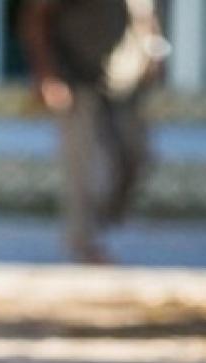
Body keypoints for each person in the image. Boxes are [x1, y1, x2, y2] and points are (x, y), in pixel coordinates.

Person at [20, 0, 168, 264]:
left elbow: (145, 19)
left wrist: (154, 55)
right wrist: (46, 75)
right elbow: (35, 17)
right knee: (83, 166)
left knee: (138, 154)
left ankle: (104, 217)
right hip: (77, 81)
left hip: (125, 85)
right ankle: (84, 242)